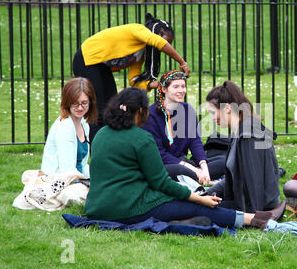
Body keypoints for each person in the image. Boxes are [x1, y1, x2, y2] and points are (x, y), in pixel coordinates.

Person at [84, 87, 285, 229]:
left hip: (96, 207)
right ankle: (255, 220)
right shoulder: (141, 139)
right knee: (190, 206)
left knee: (183, 199)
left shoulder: (101, 134)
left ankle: (189, 219)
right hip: (128, 208)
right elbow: (161, 183)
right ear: (142, 112)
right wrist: (198, 198)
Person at [72, 13, 190, 143]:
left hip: (101, 66)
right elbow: (158, 41)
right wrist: (182, 62)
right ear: (157, 31)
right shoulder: (139, 30)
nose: (165, 47)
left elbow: (134, 80)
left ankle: (109, 147)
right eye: (167, 41)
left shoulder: (140, 52)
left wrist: (161, 84)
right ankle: (97, 153)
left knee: (111, 110)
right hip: (86, 59)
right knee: (98, 111)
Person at [204, 81, 283, 213]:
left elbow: (255, 184)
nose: (212, 118)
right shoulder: (241, 129)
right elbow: (235, 178)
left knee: (197, 209)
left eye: (213, 113)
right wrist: (204, 194)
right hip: (245, 201)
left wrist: (250, 218)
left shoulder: (248, 136)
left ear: (227, 108)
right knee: (195, 204)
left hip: (257, 207)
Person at [141, 70, 225, 185]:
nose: (181, 90)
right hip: (164, 165)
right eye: (176, 87)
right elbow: (159, 153)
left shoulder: (187, 109)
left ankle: (202, 177)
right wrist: (191, 168)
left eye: (183, 86)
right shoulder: (151, 115)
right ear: (164, 89)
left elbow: (195, 141)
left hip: (184, 162)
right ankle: (206, 180)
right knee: (181, 170)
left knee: (223, 162)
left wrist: (203, 166)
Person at [41, 77, 97, 178]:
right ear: (67, 102)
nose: (80, 108)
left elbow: (83, 165)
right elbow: (67, 171)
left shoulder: (84, 123)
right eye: (75, 103)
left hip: (77, 178)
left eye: (84, 103)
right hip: (60, 182)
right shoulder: (65, 127)